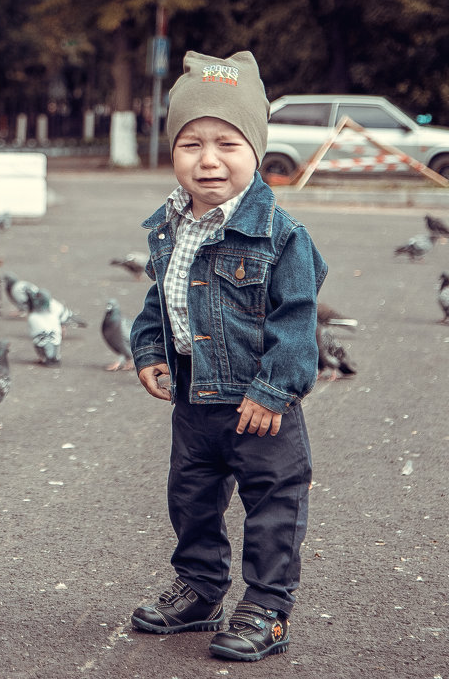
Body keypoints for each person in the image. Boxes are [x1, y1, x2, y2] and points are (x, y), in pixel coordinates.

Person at [128, 50, 327, 663]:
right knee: (190, 499)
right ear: (172, 152)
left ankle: (268, 608)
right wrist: (150, 350)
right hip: (194, 398)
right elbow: (159, 299)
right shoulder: (170, 227)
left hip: (259, 405)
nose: (208, 159)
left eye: (227, 144)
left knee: (272, 505)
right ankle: (202, 589)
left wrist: (276, 389)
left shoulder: (281, 235)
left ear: (257, 152)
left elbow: (296, 319)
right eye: (191, 144)